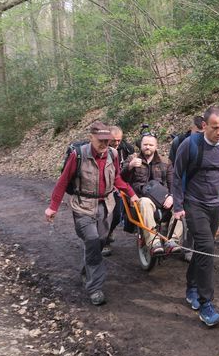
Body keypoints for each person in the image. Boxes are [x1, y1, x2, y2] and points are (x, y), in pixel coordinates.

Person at [44, 121, 138, 306]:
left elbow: (117, 177)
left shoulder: (113, 154)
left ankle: (87, 272)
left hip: (106, 206)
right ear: (91, 138)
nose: (104, 145)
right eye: (100, 141)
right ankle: (95, 288)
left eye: (107, 141)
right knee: (93, 241)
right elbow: (63, 182)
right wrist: (53, 207)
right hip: (83, 207)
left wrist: (131, 193)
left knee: (99, 242)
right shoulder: (77, 155)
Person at [173, 105, 219, 327]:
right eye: (214, 127)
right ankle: (206, 304)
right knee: (207, 248)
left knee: (203, 249)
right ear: (204, 125)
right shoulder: (189, 145)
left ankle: (191, 286)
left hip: (216, 204)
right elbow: (177, 175)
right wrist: (178, 206)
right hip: (194, 204)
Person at [121, 132, 181, 254]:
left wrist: (172, 196)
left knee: (181, 204)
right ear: (140, 145)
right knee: (145, 201)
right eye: (145, 144)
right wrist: (130, 167)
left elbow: (174, 183)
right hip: (139, 202)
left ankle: (173, 240)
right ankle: (154, 243)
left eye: (151, 145)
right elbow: (121, 179)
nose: (148, 147)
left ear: (156, 146)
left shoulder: (165, 162)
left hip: (162, 199)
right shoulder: (132, 159)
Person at [168, 115, 205, 263]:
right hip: (181, 181)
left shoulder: (207, 142)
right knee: (183, 213)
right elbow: (171, 165)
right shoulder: (180, 142)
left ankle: (192, 247)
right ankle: (180, 244)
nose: (200, 136)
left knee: (195, 218)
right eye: (198, 132)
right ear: (192, 129)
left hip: (197, 186)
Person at [102, 125, 136, 256]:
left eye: (119, 140)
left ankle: (109, 232)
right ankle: (103, 241)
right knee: (104, 215)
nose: (116, 143)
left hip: (121, 185)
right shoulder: (102, 149)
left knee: (117, 214)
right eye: (113, 140)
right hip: (104, 187)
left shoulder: (127, 148)